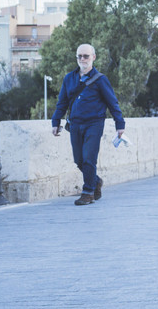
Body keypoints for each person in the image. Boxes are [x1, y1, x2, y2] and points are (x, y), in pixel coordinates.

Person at [50, 43, 125, 206]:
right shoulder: (69, 78)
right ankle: (95, 181)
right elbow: (61, 102)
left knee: (89, 158)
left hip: (94, 123)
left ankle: (88, 192)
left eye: (86, 56)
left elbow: (113, 103)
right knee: (79, 160)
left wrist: (120, 124)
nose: (82, 59)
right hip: (75, 124)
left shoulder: (100, 80)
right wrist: (55, 121)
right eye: (80, 56)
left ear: (93, 57)